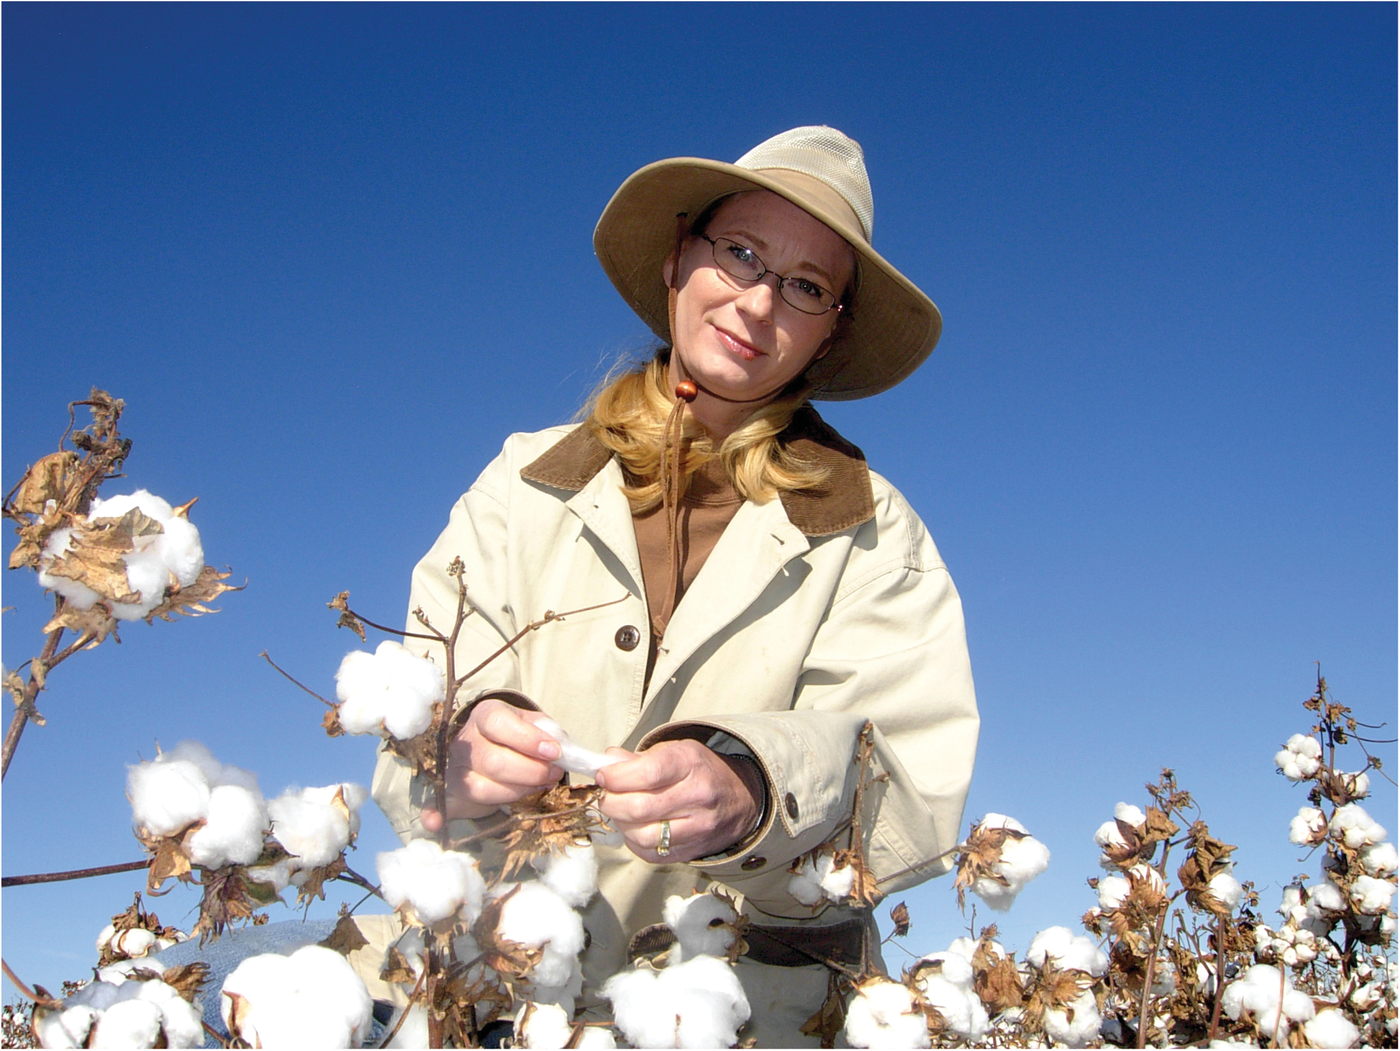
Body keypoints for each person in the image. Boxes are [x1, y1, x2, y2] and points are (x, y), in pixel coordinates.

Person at [371, 126, 979, 1045]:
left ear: (830, 331)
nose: (758, 301)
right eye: (741, 254)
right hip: (491, 996)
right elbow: (411, 711)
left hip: (747, 1015)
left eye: (807, 286)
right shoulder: (524, 482)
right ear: (677, 260)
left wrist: (753, 785)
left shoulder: (873, 529)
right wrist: (451, 755)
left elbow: (915, 792)